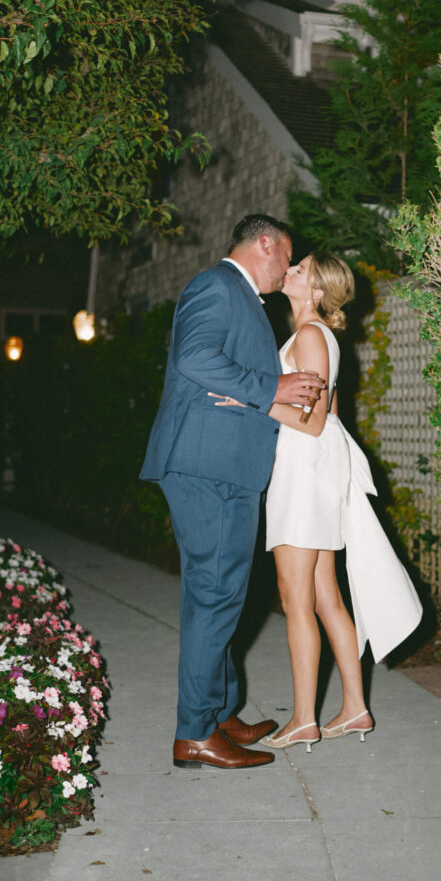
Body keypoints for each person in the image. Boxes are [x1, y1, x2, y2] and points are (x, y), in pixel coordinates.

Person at [213, 252, 422, 751]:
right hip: (313, 468)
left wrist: (251, 400)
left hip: (305, 472)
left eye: (301, 270)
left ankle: (305, 717)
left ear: (318, 292)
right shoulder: (311, 335)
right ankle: (354, 708)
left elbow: (310, 420)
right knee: (325, 595)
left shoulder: (309, 336)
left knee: (296, 598)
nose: (291, 270)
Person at [140, 215, 326, 770]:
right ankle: (195, 732)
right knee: (215, 595)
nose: (288, 268)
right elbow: (193, 358)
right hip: (208, 465)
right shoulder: (216, 285)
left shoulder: (242, 299)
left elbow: (218, 374)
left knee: (220, 594)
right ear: (264, 243)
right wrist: (270, 386)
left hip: (224, 465)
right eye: (287, 256)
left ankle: (217, 712)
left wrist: (255, 397)